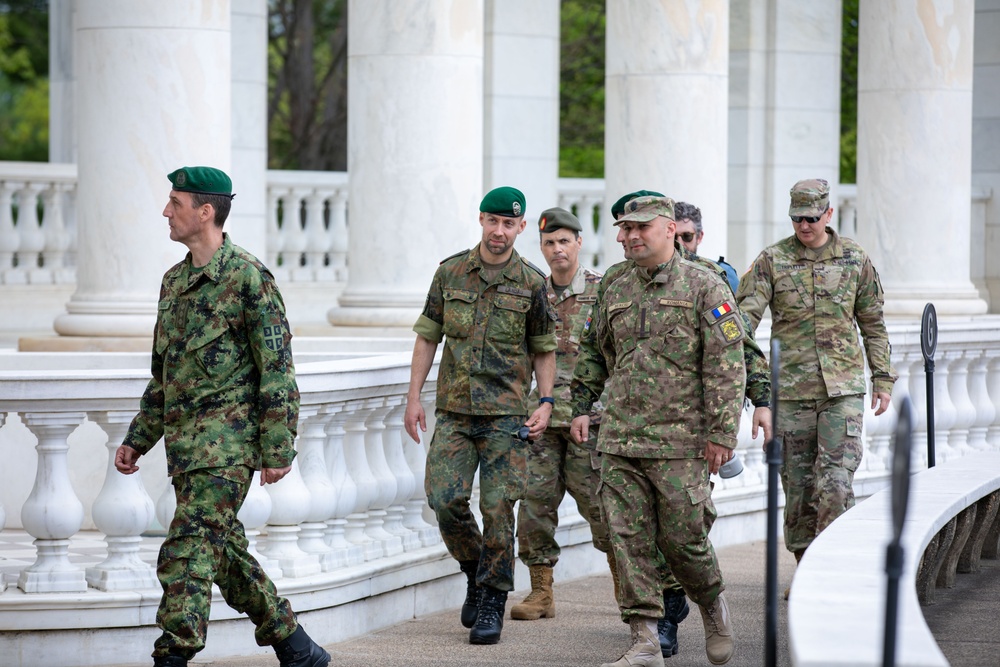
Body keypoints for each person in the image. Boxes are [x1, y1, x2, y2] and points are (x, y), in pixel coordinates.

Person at [114, 166, 329, 667]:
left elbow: (277, 371)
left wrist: (278, 450)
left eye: (175, 203)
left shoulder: (249, 278)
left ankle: (173, 657)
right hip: (184, 453)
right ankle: (298, 648)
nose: (166, 212)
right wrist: (137, 438)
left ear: (205, 212)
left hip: (228, 452)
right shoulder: (173, 283)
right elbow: (163, 376)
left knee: (185, 552)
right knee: (223, 556)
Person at [571, 195, 745, 667]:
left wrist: (722, 434)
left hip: (682, 442)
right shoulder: (614, 284)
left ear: (669, 229)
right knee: (626, 539)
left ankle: (712, 605)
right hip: (620, 438)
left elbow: (728, 367)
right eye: (623, 229)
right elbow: (592, 350)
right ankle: (644, 638)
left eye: (639, 228)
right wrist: (582, 406)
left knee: (683, 539)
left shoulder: (705, 288)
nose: (628, 237)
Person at [403, 186, 557, 645]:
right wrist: (413, 397)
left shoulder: (531, 282)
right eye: (493, 221)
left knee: (497, 507)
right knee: (443, 499)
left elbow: (543, 349)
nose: (499, 231)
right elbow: (428, 336)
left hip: (506, 416)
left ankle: (492, 597)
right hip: (454, 410)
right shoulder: (450, 273)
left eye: (509, 224)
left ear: (521, 228)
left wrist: (545, 403)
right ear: (481, 221)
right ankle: (476, 571)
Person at [735, 178, 896, 589]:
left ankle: (833, 569)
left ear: (828, 214)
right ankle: (807, 569)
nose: (803, 226)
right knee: (800, 490)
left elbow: (873, 324)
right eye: (796, 219)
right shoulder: (772, 260)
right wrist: (748, 386)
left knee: (837, 482)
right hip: (789, 394)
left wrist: (882, 377)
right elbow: (743, 325)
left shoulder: (855, 259)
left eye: (811, 218)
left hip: (842, 390)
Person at [509, 207, 613, 622]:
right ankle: (541, 593)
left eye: (564, 241)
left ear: (579, 243)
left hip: (590, 421)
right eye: (550, 243)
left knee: (603, 508)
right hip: (541, 422)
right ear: (542, 246)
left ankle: (632, 590)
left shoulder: (604, 291)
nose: (557, 250)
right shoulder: (533, 292)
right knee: (534, 506)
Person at [672, 201, 740, 293]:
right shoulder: (653, 273)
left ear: (699, 237)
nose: (679, 243)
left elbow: (730, 307)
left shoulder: (721, 274)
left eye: (687, 236)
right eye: (673, 237)